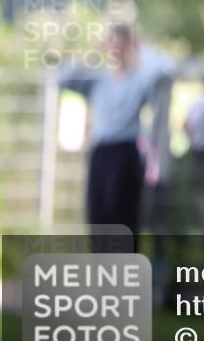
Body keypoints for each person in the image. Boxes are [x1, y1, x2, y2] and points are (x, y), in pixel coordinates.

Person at [59, 24, 174, 250]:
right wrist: (92, 53)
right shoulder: (99, 80)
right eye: (112, 44)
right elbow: (62, 79)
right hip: (101, 153)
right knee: (98, 216)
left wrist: (142, 48)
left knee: (123, 217)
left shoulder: (139, 79)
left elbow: (165, 69)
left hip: (126, 153)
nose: (116, 50)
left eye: (121, 44)